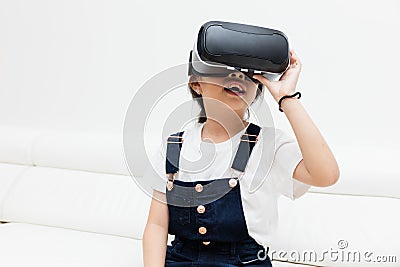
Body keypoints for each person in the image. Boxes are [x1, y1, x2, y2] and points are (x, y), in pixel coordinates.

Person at [142, 30, 340, 267]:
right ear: (196, 83)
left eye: (248, 73)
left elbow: (326, 175)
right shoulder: (175, 147)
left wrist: (287, 98)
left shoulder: (269, 145)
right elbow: (156, 225)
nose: (237, 76)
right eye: (223, 69)